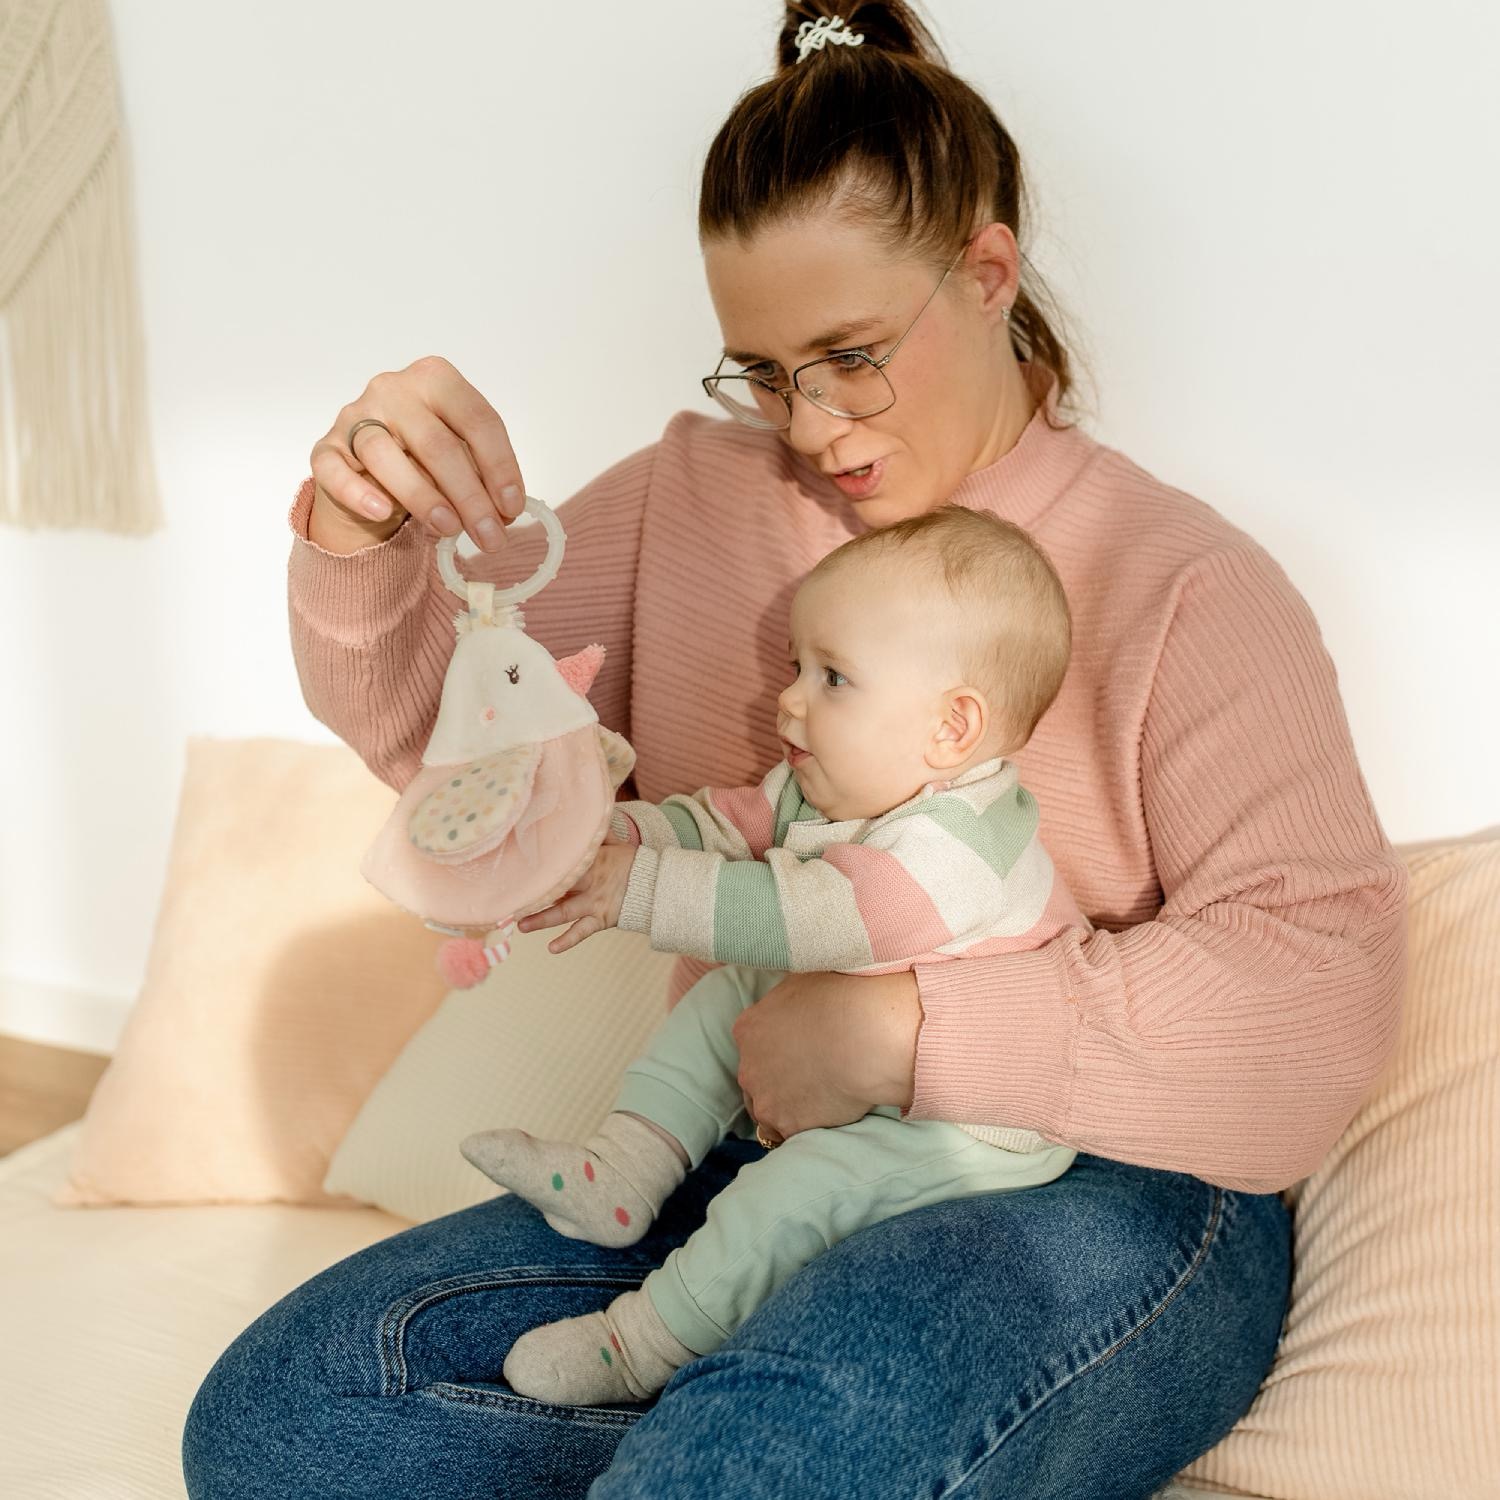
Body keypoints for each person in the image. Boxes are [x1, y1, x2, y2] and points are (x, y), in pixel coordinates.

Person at [182, 4, 1407, 1496]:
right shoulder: (691, 501)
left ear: (989, 273)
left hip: (1099, 1177)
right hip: (759, 1143)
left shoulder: (1184, 584)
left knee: (770, 1440)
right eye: (762, 371)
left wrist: (907, 1034)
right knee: (289, 1417)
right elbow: (447, 750)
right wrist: (360, 530)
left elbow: (1318, 998)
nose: (812, 425)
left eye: (850, 356)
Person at [458, 506, 1087, 1406]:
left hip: (967, 1128)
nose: (788, 699)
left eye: (832, 677)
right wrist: (607, 838)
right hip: (865, 1057)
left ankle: (640, 1345)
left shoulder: (966, 846)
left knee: (791, 1190)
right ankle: (622, 1171)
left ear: (952, 729)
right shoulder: (833, 784)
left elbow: (822, 922)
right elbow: (723, 825)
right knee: (734, 993)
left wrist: (634, 890)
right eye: (797, 666)